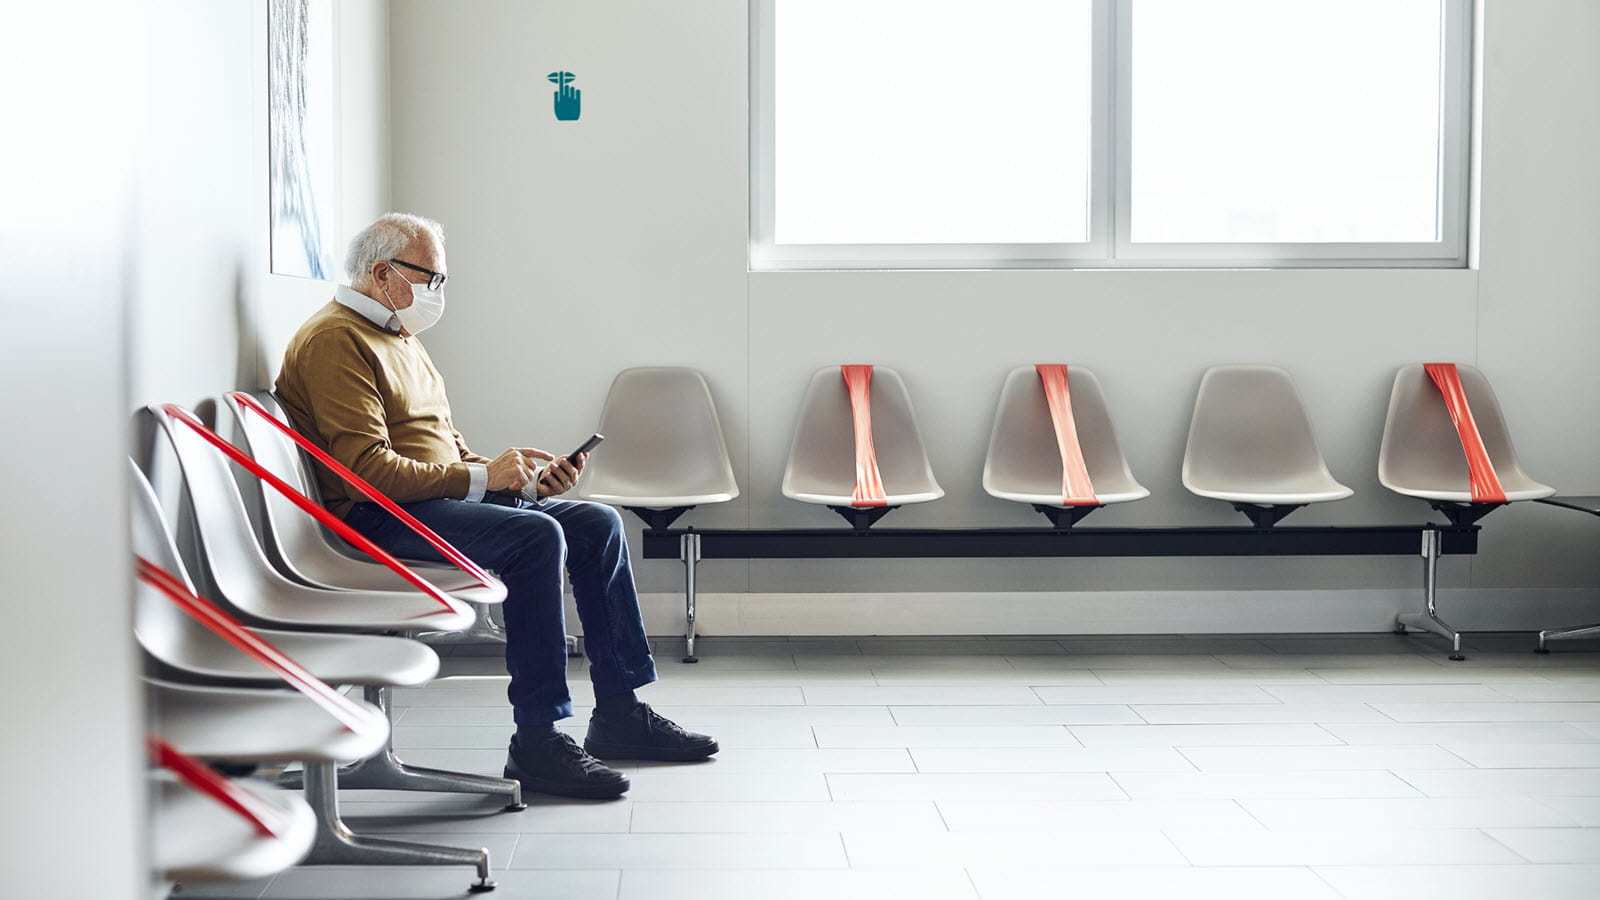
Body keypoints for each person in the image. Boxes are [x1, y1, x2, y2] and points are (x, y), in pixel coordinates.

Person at [275, 212, 716, 799]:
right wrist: (485, 478)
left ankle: (618, 713)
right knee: (536, 539)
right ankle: (536, 740)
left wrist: (522, 486)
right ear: (382, 274)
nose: (438, 293)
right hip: (376, 520)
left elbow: (448, 453)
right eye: (429, 278)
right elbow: (365, 473)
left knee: (595, 524)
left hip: (427, 506)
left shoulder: (401, 338)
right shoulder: (336, 340)